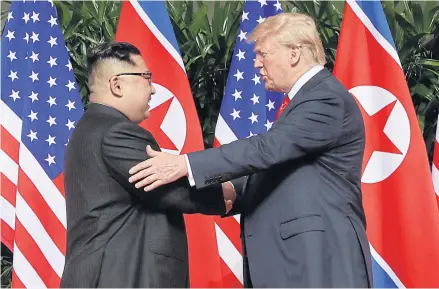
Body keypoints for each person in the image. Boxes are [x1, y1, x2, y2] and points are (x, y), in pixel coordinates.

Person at [128, 13, 373, 288]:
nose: (256, 63)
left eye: (263, 53)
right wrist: (234, 189)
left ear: (294, 53)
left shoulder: (325, 98)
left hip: (317, 258)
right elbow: (285, 167)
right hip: (296, 260)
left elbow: (268, 149)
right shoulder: (307, 100)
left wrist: (184, 164)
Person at [61, 42, 234, 288]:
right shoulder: (115, 131)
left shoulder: (92, 128)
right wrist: (234, 191)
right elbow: (172, 190)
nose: (153, 89)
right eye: (146, 77)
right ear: (117, 85)